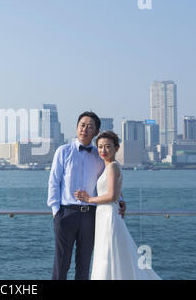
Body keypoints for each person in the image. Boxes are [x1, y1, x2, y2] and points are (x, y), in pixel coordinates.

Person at [47, 111, 126, 280]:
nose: (85, 129)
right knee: (61, 264)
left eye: (90, 127)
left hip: (91, 215)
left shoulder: (100, 155)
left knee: (84, 264)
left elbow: (109, 181)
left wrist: (120, 200)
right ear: (76, 127)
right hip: (66, 213)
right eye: (82, 125)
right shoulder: (63, 151)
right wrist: (56, 213)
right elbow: (54, 182)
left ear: (96, 132)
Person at [74, 131, 161, 279]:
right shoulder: (111, 166)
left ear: (117, 148)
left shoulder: (112, 167)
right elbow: (117, 193)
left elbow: (111, 195)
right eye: (100, 147)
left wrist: (89, 199)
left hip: (108, 215)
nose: (103, 150)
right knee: (110, 254)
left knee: (107, 254)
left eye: (108, 146)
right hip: (105, 214)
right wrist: (121, 200)